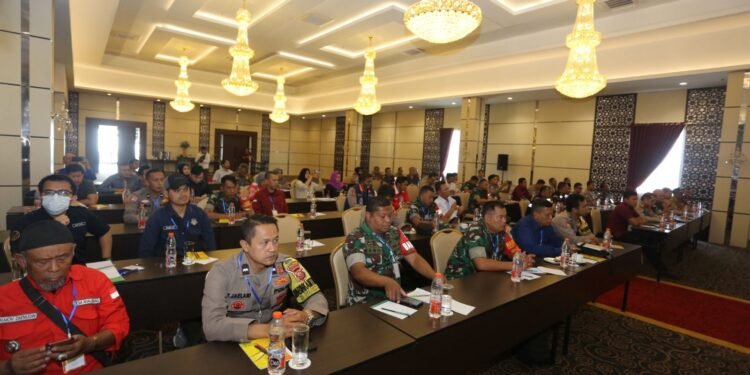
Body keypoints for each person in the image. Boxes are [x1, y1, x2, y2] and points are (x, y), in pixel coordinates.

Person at [0, 220, 130, 374]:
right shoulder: (4, 299)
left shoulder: (95, 281)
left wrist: (90, 343)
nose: (54, 268)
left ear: (73, 251)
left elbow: (118, 324)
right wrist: (8, 368)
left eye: (62, 258)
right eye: (42, 262)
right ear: (22, 261)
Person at [201, 215, 328, 341]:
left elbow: (316, 298)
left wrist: (306, 315)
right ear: (245, 245)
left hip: (277, 337)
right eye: (264, 242)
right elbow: (212, 326)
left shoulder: (288, 264)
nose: (272, 249)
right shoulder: (222, 272)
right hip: (236, 339)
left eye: (275, 240)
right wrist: (268, 329)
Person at [344, 196, 437, 304]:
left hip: (393, 296)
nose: (388, 220)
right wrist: (386, 282)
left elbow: (414, 258)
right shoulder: (355, 238)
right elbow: (358, 272)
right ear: (368, 216)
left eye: (390, 215)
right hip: (365, 302)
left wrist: (435, 276)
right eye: (383, 217)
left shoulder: (395, 232)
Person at [11, 175, 112, 263]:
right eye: (49, 192)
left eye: (63, 193)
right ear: (41, 195)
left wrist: (106, 260)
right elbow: (19, 255)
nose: (55, 197)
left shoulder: (81, 213)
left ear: (73, 198)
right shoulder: (25, 222)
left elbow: (104, 231)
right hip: (42, 275)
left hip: (78, 270)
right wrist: (52, 228)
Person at [444, 202, 534, 280]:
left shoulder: (500, 231)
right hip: (461, 280)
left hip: (486, 278)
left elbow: (511, 252)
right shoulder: (476, 231)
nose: (504, 221)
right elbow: (481, 264)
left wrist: (521, 258)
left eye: (505, 217)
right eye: (500, 217)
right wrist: (515, 265)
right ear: (487, 218)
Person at [138, 174, 216, 257]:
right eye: (177, 190)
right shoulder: (157, 217)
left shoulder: (199, 214)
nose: (183, 194)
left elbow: (210, 246)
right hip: (167, 265)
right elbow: (145, 252)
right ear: (166, 193)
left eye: (186, 190)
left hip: (196, 264)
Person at [606, 191, 668, 274]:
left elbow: (643, 219)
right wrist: (638, 221)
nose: (636, 201)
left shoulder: (630, 208)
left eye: (636, 199)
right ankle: (660, 269)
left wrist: (638, 221)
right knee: (647, 243)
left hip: (626, 232)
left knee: (651, 238)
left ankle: (659, 265)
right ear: (625, 199)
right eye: (633, 199)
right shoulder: (622, 207)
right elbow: (635, 223)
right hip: (616, 235)